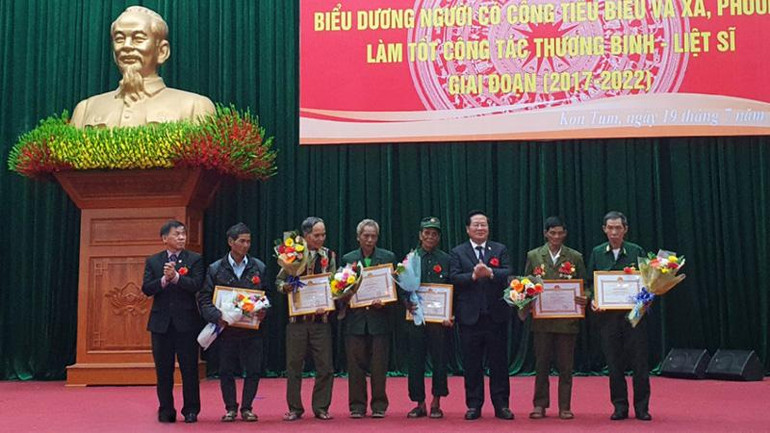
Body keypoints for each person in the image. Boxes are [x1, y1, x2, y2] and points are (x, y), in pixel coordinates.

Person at [71, 6, 215, 128]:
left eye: (138, 39)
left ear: (162, 51)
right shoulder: (85, 109)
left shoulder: (195, 107)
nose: (126, 46)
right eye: (119, 39)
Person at [197, 223, 268, 422]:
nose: (246, 245)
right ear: (231, 242)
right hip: (226, 330)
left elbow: (267, 296)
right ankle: (230, 408)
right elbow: (204, 298)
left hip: (251, 330)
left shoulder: (259, 267)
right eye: (242, 241)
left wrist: (263, 311)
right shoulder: (216, 268)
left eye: (248, 241)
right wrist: (216, 316)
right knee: (226, 370)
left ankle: (247, 408)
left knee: (253, 370)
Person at [587, 211, 651, 421]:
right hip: (607, 319)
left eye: (618, 228)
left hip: (634, 317)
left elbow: (649, 282)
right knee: (614, 364)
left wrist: (646, 299)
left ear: (625, 230)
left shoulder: (636, 251)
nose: (614, 232)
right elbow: (589, 284)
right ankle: (619, 406)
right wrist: (593, 300)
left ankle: (642, 407)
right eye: (610, 228)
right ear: (604, 229)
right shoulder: (597, 253)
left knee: (640, 363)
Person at [449, 210, 513, 420]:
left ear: (488, 228)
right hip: (469, 317)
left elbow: (509, 272)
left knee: (499, 364)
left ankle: (501, 404)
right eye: (475, 225)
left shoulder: (499, 249)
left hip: (495, 316)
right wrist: (474, 276)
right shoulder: (458, 252)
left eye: (483, 225)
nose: (479, 228)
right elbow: (454, 278)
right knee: (472, 364)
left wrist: (492, 273)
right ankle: (474, 405)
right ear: (468, 229)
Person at [522, 216, 587, 420]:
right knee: (541, 365)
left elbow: (585, 286)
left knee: (566, 367)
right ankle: (540, 404)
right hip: (541, 321)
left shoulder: (575, 256)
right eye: (552, 233)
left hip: (567, 322)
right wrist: (524, 298)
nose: (556, 237)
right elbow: (524, 285)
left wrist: (585, 297)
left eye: (560, 233)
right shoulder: (533, 256)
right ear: (545, 233)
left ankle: (565, 406)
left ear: (565, 234)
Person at [141, 220, 205, 423]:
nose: (181, 238)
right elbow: (147, 288)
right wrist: (164, 280)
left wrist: (177, 277)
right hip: (161, 325)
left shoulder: (194, 259)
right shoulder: (153, 261)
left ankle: (191, 410)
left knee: (189, 369)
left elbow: (196, 285)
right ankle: (166, 410)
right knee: (163, 370)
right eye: (177, 234)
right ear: (164, 239)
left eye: (183, 234)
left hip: (186, 323)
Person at [276, 217, 337, 421]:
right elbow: (279, 281)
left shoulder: (329, 255)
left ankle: (321, 407)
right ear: (305, 236)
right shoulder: (292, 254)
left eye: (323, 234)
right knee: (294, 365)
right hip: (297, 321)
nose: (321, 238)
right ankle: (295, 408)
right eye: (316, 235)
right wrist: (286, 287)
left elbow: (334, 283)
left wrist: (330, 299)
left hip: (321, 320)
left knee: (325, 366)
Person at [340, 219, 396, 419]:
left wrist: (386, 301)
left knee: (379, 365)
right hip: (355, 320)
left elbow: (394, 289)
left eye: (373, 236)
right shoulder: (348, 259)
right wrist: (345, 296)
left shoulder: (388, 257)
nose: (370, 239)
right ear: (358, 237)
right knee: (355, 366)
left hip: (379, 320)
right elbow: (339, 289)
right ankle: (357, 406)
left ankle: (379, 405)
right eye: (366, 236)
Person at [403, 217, 453, 419]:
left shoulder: (447, 260)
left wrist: (450, 314)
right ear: (420, 235)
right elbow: (402, 287)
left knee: (440, 360)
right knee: (416, 360)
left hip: (439, 321)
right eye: (427, 233)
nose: (430, 236)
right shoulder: (410, 258)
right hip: (416, 316)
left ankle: (436, 402)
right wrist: (406, 302)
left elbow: (453, 289)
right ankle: (419, 402)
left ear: (439, 237)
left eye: (434, 233)